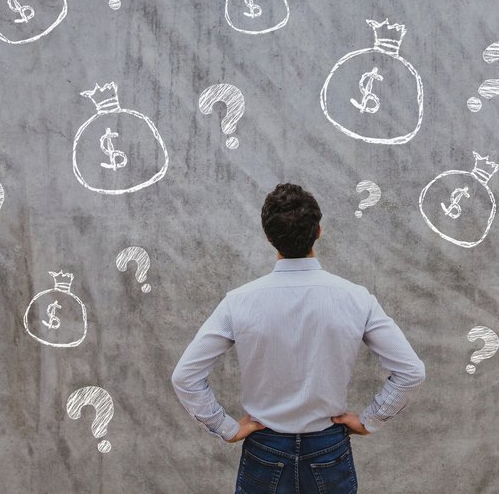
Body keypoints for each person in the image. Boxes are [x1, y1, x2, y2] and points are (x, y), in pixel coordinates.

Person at [171, 183, 426, 493]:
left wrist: (225, 427)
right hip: (328, 449)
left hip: (264, 450)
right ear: (318, 230)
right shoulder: (356, 298)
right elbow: (411, 373)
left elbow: (185, 376)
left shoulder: (239, 301)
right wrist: (369, 420)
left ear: (268, 237)